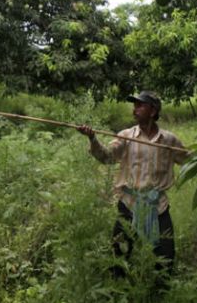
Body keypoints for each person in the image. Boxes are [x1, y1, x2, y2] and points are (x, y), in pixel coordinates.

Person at [77, 90, 190, 283]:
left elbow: (189, 159)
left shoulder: (169, 140)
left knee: (165, 256)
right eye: (134, 105)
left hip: (158, 206)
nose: (135, 110)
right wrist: (92, 139)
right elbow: (106, 157)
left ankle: (160, 294)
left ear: (153, 111)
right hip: (129, 204)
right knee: (120, 254)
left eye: (140, 105)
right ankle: (119, 290)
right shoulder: (126, 136)